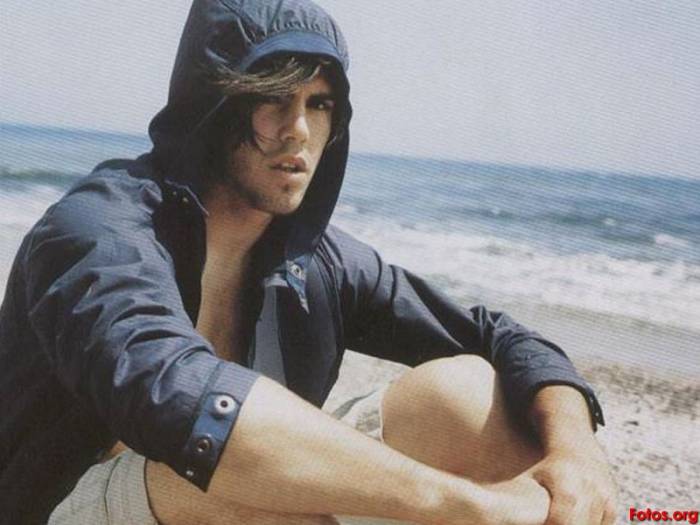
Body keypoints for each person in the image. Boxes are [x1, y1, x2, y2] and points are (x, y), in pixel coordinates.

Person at [0, 1, 617, 523]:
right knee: (259, 487)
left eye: (319, 104)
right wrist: (463, 503)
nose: (298, 129)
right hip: (62, 504)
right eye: (272, 98)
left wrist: (576, 452)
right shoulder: (98, 232)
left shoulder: (314, 260)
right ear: (213, 103)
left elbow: (499, 337)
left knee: (467, 392)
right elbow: (176, 395)